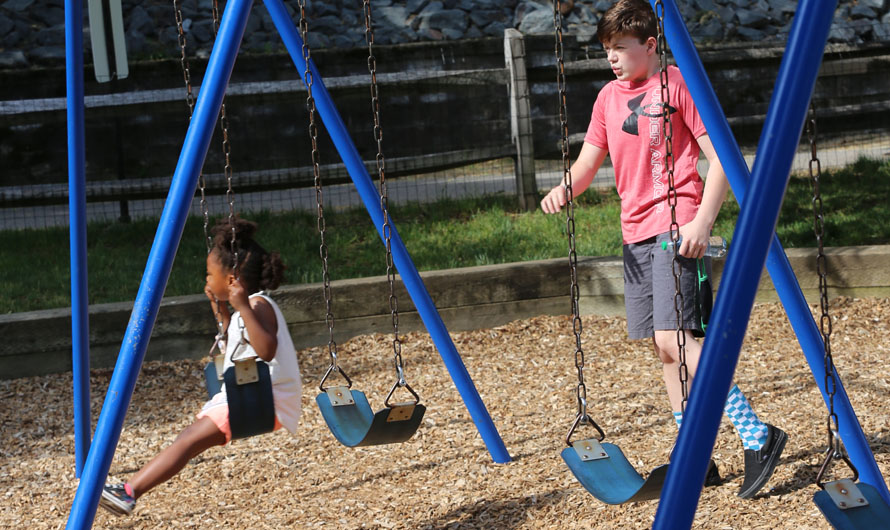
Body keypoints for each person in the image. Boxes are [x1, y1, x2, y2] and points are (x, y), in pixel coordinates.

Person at [541, 0, 786, 498]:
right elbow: (589, 162)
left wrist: (703, 219)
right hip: (634, 236)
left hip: (676, 228)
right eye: (607, 50)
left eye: (620, 49)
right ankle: (694, 454)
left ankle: (757, 433)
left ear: (650, 46)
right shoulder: (608, 98)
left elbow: (720, 157)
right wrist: (564, 188)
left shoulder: (678, 85)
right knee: (664, 350)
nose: (612, 58)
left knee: (678, 339)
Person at [99, 217, 302, 515]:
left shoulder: (258, 305)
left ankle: (129, 492)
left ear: (232, 280)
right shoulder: (251, 308)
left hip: (263, 401)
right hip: (252, 398)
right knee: (188, 440)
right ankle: (129, 491)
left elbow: (267, 349)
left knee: (187, 440)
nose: (206, 280)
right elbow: (237, 341)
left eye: (210, 274)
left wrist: (242, 307)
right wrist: (222, 312)